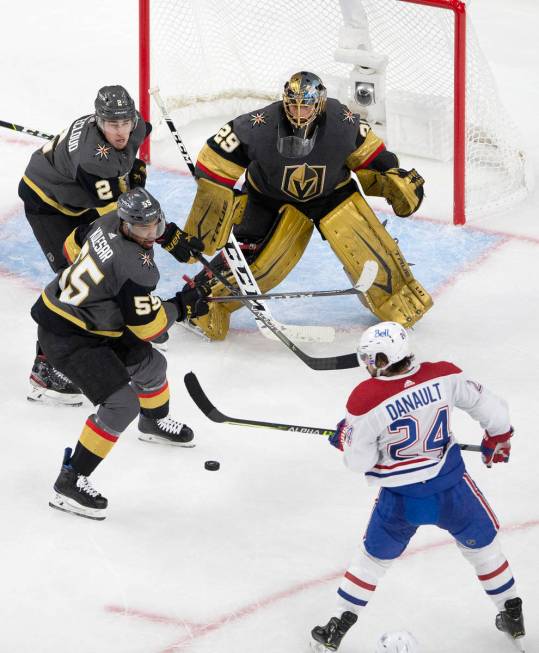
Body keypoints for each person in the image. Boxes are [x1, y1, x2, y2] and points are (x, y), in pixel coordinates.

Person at [310, 322, 525, 652]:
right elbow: (492, 408)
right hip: (452, 490)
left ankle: (339, 622)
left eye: (371, 359)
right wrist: (498, 437)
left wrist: (346, 438)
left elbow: (359, 462)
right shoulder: (445, 374)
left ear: (383, 359)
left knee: (371, 561)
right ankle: (511, 611)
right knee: (484, 550)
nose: (367, 365)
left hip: (401, 500)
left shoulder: (365, 400)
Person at [180, 71, 431, 341]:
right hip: (269, 196)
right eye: (293, 104)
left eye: (306, 105)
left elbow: (373, 157)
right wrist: (215, 197)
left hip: (332, 192)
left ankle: (398, 300)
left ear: (319, 103)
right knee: (254, 262)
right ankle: (200, 302)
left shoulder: (341, 120)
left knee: (366, 243)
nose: (299, 112)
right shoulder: (259, 124)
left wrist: (391, 177)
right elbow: (214, 159)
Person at [30, 188, 209, 520]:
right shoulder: (135, 266)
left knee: (153, 365)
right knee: (121, 403)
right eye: (144, 229)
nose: (151, 234)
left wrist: (165, 239)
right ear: (127, 225)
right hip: (68, 335)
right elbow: (149, 329)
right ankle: (71, 480)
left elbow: (72, 245)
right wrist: (182, 308)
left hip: (88, 317)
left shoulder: (107, 219)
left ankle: (153, 421)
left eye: (157, 225)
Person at [18, 85, 198, 404]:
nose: (121, 131)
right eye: (113, 125)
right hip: (48, 201)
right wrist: (169, 235)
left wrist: (134, 172)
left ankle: (136, 317)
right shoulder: (92, 160)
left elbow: (137, 148)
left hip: (77, 192)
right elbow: (121, 220)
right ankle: (45, 370)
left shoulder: (135, 125)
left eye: (125, 122)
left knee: (110, 262)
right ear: (98, 121)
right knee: (78, 271)